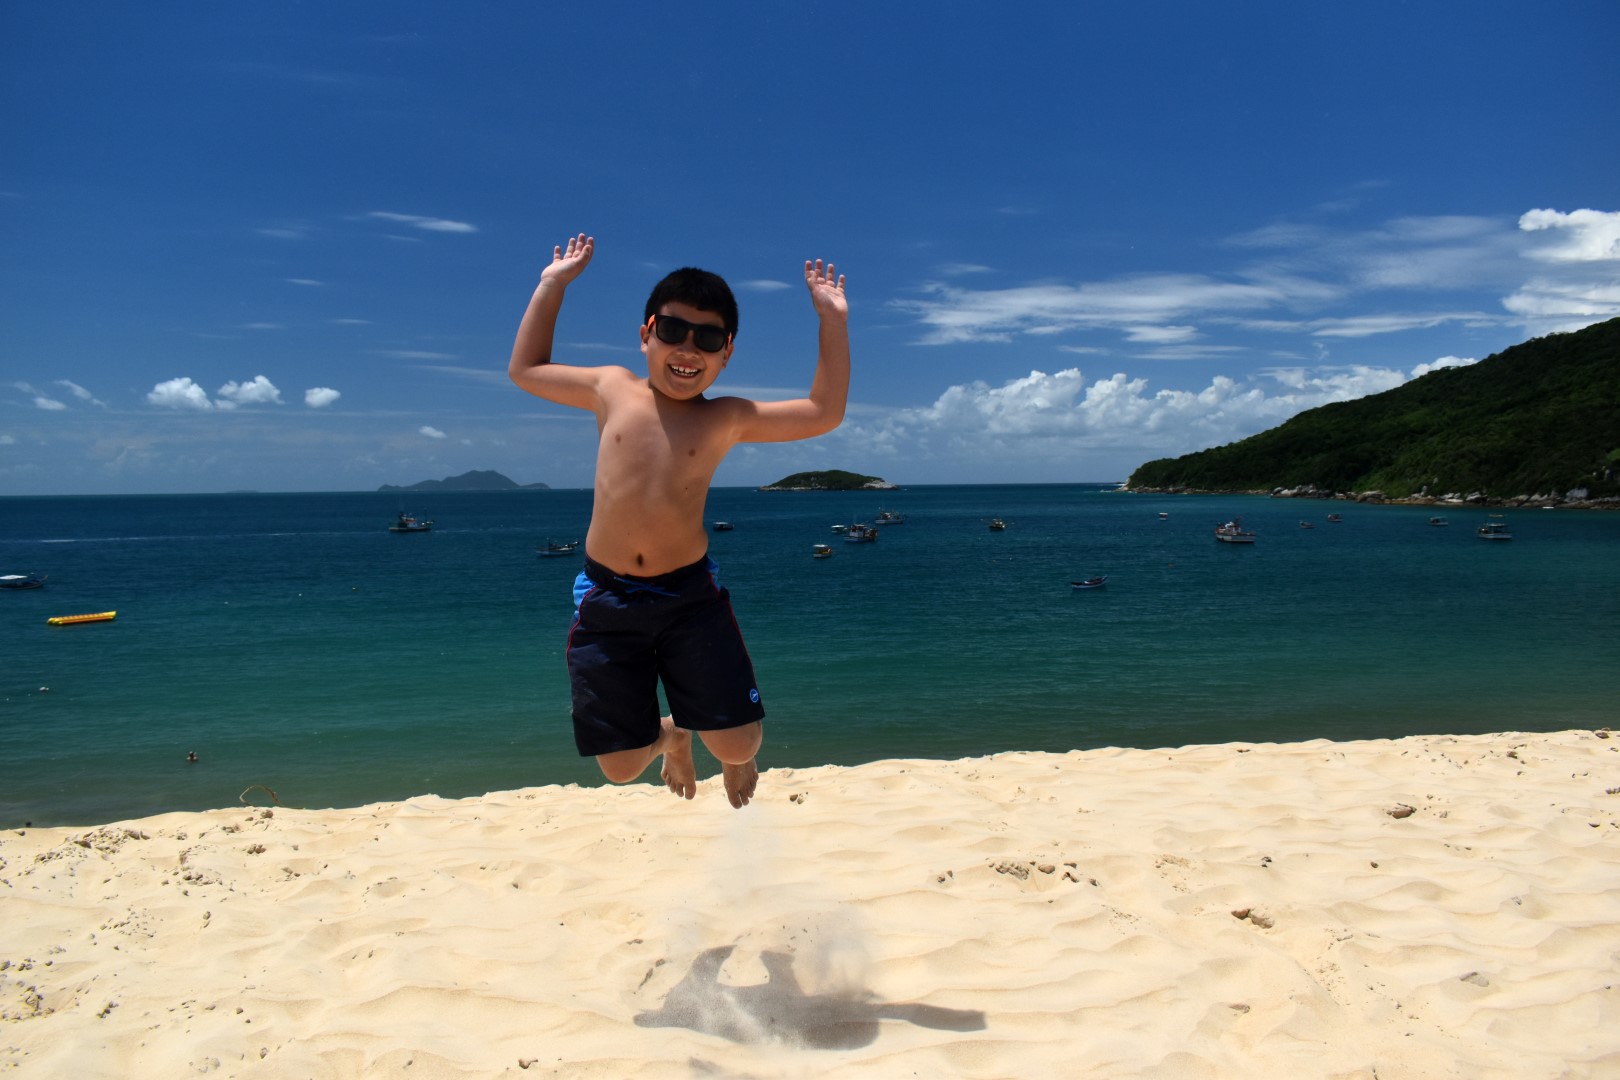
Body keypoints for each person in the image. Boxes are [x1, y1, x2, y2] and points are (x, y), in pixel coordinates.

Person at [509, 233, 850, 808]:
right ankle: (673, 735)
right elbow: (526, 368)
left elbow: (823, 412)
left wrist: (831, 320)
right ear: (647, 334)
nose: (688, 348)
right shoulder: (609, 388)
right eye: (673, 331)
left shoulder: (726, 418)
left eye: (708, 338)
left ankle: (709, 736)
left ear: (727, 354)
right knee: (618, 769)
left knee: (740, 746)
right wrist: (552, 284)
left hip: (688, 596)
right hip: (609, 595)